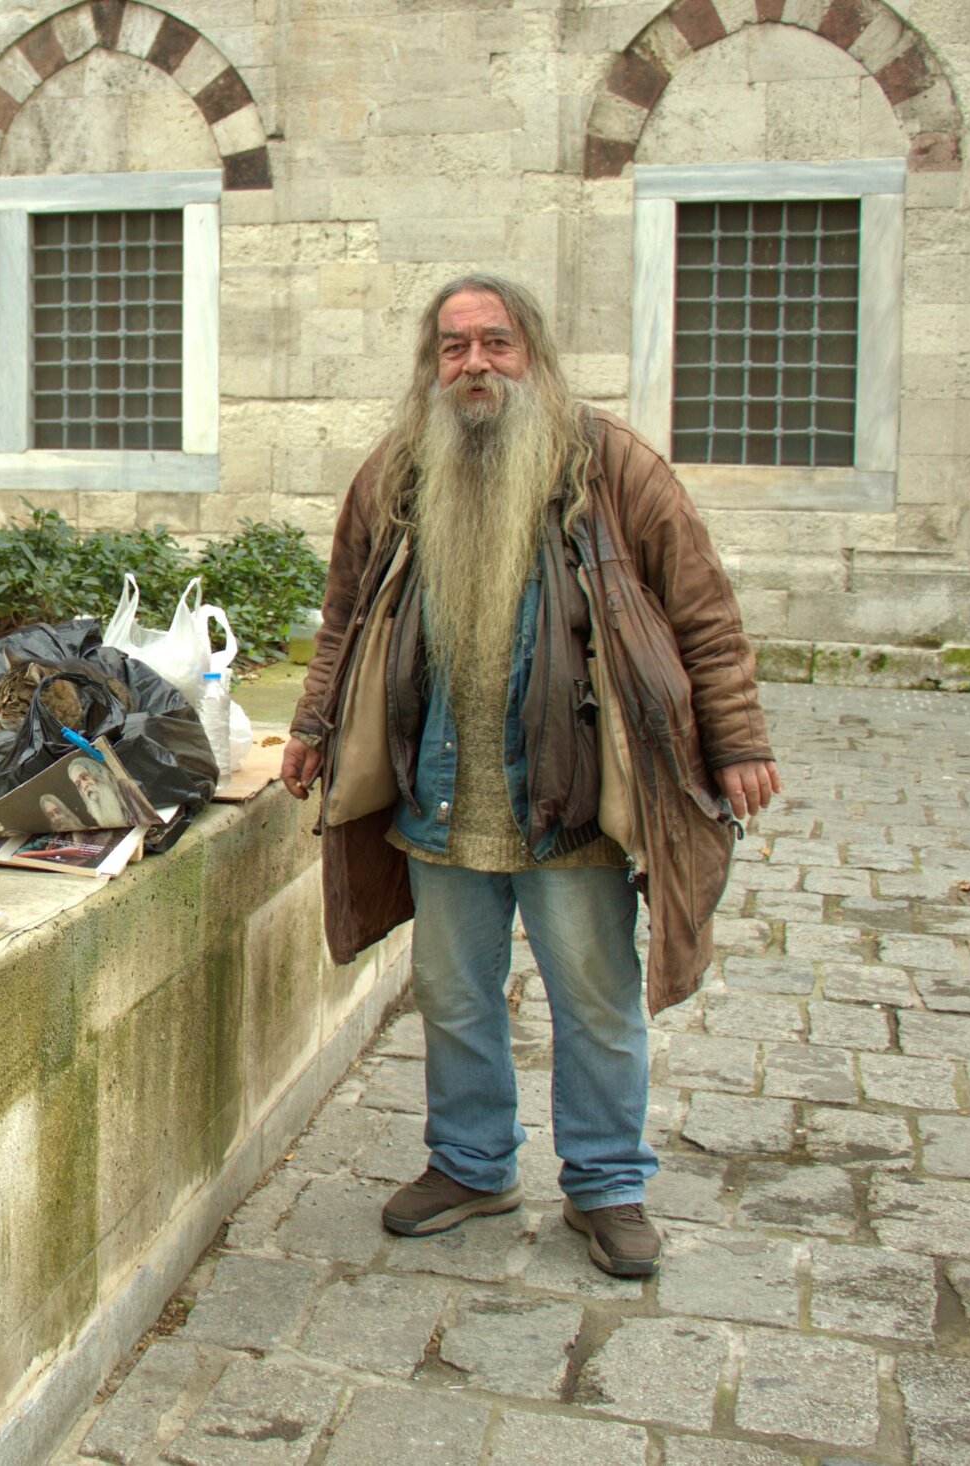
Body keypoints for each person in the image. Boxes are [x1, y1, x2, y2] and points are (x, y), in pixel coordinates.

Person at [278, 275, 779, 1278]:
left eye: (495, 343)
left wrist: (736, 740)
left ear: (533, 355)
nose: (474, 364)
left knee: (594, 998)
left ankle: (606, 1183)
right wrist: (312, 725)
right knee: (453, 993)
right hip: (439, 793)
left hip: (574, 796)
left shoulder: (610, 464)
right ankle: (471, 1165)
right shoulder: (396, 473)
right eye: (453, 347)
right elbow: (343, 616)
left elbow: (702, 610)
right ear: (432, 365)